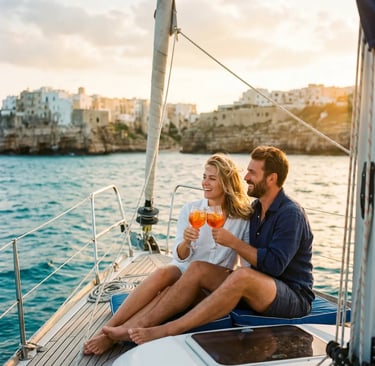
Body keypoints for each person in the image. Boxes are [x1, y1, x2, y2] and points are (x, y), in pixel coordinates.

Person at [109, 145, 314, 345]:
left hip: (291, 295)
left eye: (252, 172)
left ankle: (167, 329)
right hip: (258, 285)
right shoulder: (256, 209)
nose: (246, 177)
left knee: (241, 276)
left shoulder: (290, 214)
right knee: (196, 269)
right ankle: (127, 328)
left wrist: (232, 243)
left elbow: (274, 266)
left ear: (271, 178)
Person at [83, 153, 252, 355]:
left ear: (226, 183)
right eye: (204, 176)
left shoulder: (242, 218)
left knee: (166, 292)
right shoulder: (192, 209)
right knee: (166, 273)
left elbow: (246, 265)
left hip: (209, 284)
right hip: (185, 271)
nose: (204, 182)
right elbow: (180, 256)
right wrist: (187, 242)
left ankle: (115, 335)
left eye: (212, 178)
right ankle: (109, 328)